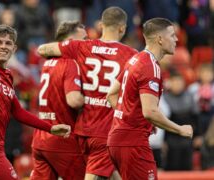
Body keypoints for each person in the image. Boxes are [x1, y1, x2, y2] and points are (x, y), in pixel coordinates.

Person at [0, 2, 71, 180]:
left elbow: (19, 112)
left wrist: (50, 129)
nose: (3, 46)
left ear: (14, 49)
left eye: (8, 43)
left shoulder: (7, 75)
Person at [37, 7, 137, 180]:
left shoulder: (82, 47)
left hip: (83, 128)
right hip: (106, 128)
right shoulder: (132, 55)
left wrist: (61, 52)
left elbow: (43, 49)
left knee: (112, 174)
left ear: (100, 25)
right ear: (122, 28)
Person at [106, 17, 193, 180]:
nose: (176, 39)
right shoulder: (149, 66)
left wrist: (129, 119)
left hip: (117, 139)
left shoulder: (135, 59)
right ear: (160, 39)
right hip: (133, 143)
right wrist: (180, 129)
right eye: (172, 35)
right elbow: (150, 112)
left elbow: (111, 93)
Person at [31, 21, 87, 180]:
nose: (86, 44)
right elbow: (74, 100)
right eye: (83, 39)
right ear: (69, 41)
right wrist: (94, 101)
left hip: (40, 138)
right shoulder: (71, 63)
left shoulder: (47, 62)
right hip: (63, 138)